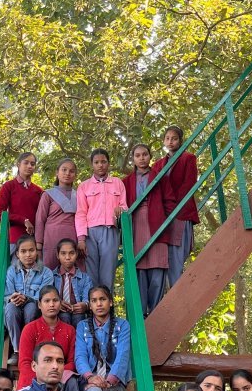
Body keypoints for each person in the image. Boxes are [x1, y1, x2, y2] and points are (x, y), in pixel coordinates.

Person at [74, 285, 131, 391]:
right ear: (90, 305)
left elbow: (122, 356)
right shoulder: (82, 326)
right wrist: (90, 377)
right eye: (94, 301)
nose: (98, 304)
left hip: (115, 381)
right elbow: (80, 356)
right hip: (90, 379)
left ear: (110, 302)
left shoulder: (122, 325)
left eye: (102, 299)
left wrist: (110, 381)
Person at [122, 143, 170, 316]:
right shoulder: (126, 181)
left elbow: (169, 201)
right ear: (133, 159)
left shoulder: (160, 176)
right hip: (135, 224)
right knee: (139, 268)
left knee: (158, 266)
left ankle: (155, 312)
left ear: (150, 156)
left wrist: (167, 222)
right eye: (137, 155)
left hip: (157, 223)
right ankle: (141, 314)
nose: (142, 158)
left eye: (145, 154)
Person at [153, 126, 199, 288]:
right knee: (164, 257)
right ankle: (171, 293)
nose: (170, 142)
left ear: (180, 140)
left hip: (181, 212)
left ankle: (177, 292)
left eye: (174, 138)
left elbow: (188, 184)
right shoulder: (158, 164)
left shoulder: (188, 158)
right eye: (167, 138)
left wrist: (173, 206)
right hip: (164, 215)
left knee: (177, 255)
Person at [75, 148, 127, 293]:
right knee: (91, 272)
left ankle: (107, 304)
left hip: (110, 231)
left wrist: (121, 210)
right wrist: (81, 239)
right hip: (90, 233)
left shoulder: (117, 183)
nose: (100, 165)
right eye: (96, 162)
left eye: (103, 162)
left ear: (108, 163)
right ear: (92, 164)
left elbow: (124, 206)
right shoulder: (84, 186)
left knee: (108, 272)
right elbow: (81, 213)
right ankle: (92, 305)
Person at [3, 236, 55, 363]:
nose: (28, 255)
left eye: (31, 250)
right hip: (15, 307)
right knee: (10, 308)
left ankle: (29, 347)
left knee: (31, 308)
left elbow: (44, 297)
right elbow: (7, 294)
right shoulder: (11, 271)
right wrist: (13, 298)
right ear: (17, 254)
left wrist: (27, 299)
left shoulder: (46, 273)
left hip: (34, 308)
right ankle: (17, 351)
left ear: (36, 251)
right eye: (23, 251)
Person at [16, 286, 76, 391]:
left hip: (60, 379)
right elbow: (25, 363)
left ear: (60, 303)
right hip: (33, 382)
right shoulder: (30, 329)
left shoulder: (69, 330)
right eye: (47, 301)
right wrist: (42, 379)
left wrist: (54, 374)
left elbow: (71, 362)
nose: (51, 304)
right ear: (39, 305)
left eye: (55, 300)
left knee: (73, 382)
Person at [34, 159, 81, 271]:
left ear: (75, 175)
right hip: (52, 238)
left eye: (71, 171)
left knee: (73, 273)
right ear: (57, 172)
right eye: (64, 170)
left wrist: (82, 240)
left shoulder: (79, 195)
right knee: (50, 272)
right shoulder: (47, 194)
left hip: (73, 238)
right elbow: (40, 220)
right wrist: (38, 246)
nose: (67, 173)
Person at [0, 152, 44, 252]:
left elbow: (42, 217)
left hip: (34, 242)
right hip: (15, 241)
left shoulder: (39, 191)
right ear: (18, 164)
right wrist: (23, 220)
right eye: (26, 163)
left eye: (32, 164)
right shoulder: (8, 186)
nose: (29, 166)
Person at [50, 238, 92, 327]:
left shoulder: (85, 278)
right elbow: (48, 295)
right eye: (63, 253)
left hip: (78, 312)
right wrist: (58, 303)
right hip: (59, 311)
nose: (67, 257)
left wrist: (85, 305)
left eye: (71, 253)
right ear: (57, 255)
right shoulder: (51, 276)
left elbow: (88, 298)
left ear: (76, 254)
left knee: (79, 318)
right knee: (64, 317)